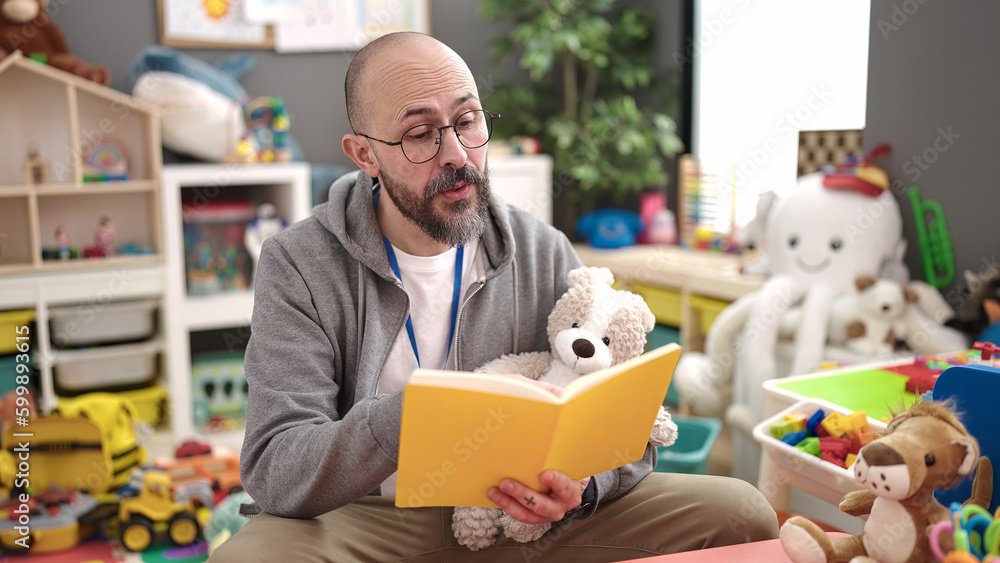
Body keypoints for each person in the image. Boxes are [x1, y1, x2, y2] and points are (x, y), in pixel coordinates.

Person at [210, 32, 778, 562]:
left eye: (467, 121)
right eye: (419, 134)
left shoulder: (540, 249)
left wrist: (580, 491)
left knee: (739, 511)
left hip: (522, 521)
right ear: (364, 156)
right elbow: (276, 468)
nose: (456, 154)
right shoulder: (299, 263)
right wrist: (416, 418)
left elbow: (629, 434)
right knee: (249, 556)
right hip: (372, 520)